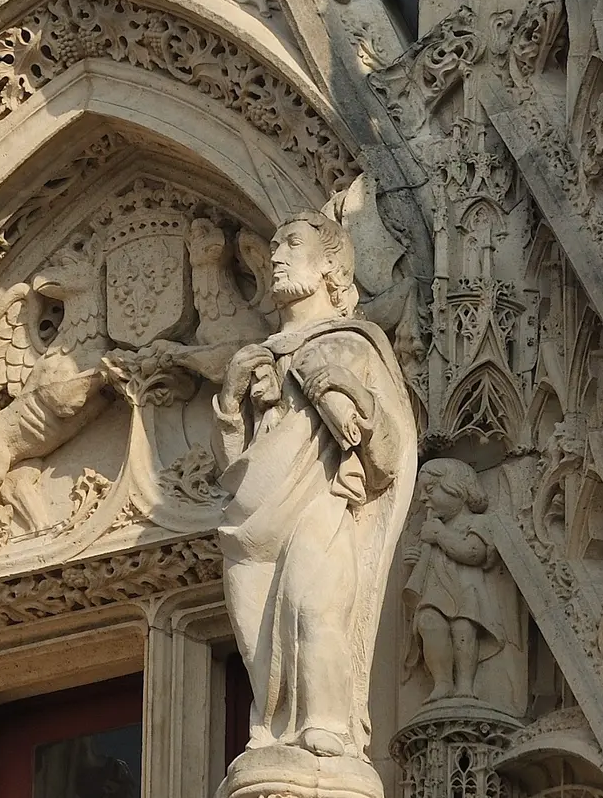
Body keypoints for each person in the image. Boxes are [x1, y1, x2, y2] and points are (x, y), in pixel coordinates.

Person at [212, 178, 418, 759]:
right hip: (255, 529)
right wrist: (231, 406)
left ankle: (325, 726)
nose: (274, 255)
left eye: (292, 243)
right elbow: (237, 475)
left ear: (333, 266)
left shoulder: (355, 344)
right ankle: (279, 732)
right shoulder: (259, 360)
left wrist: (347, 388)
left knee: (312, 604)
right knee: (262, 638)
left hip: (326, 505)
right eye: (274, 245)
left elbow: (385, 462)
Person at [402, 459, 512, 701]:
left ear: (457, 489)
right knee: (429, 623)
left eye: (430, 490)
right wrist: (415, 557)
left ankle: (465, 685)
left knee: (463, 630)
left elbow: (474, 553)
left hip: (465, 590)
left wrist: (439, 535)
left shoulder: (476, 523)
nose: (422, 498)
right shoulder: (430, 528)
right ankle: (442, 682)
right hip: (436, 590)